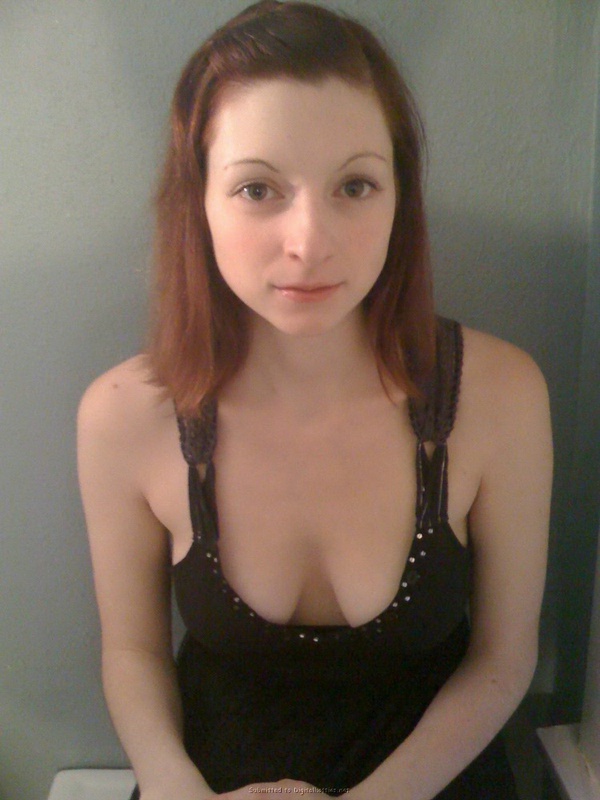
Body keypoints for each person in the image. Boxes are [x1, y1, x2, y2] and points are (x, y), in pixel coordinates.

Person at [76, 2, 553, 798]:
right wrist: (171, 784)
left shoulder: (498, 395)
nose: (309, 242)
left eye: (355, 185)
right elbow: (133, 653)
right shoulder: (125, 416)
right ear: (199, 199)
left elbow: (504, 660)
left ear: (399, 196)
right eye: (258, 188)